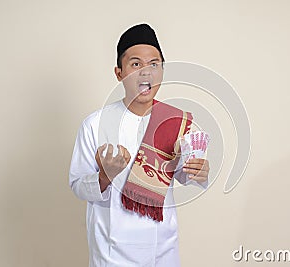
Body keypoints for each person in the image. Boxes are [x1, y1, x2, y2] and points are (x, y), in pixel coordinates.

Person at [69, 23, 210, 267]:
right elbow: (78, 186)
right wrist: (105, 176)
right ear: (119, 73)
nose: (146, 72)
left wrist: (199, 172)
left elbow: (186, 175)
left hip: (163, 248)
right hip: (112, 252)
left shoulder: (174, 122)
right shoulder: (95, 124)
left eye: (154, 64)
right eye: (136, 64)